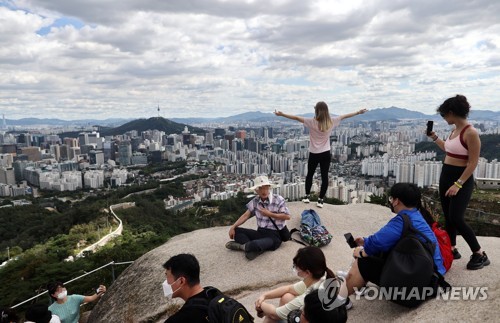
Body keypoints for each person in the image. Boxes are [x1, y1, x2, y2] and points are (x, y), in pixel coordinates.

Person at [340, 183, 446, 298]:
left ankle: (339, 300)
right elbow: (383, 239)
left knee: (363, 260)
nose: (391, 202)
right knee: (373, 251)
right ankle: (357, 279)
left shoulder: (401, 220)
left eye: (391, 198)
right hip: (432, 272)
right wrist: (365, 241)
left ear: (396, 201)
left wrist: (361, 252)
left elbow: (378, 242)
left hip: (420, 281)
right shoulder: (416, 215)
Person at [427, 94, 489, 270]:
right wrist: (434, 137)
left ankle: (479, 254)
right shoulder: (454, 130)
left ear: (452, 113)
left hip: (461, 178)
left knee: (457, 218)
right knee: (448, 215)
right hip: (446, 175)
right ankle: (452, 248)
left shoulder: (471, 132)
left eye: (445, 115)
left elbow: (473, 162)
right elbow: (448, 149)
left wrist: (459, 184)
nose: (444, 118)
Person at [274, 103, 367, 208]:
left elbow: (295, 118)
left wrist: (282, 114)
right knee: (324, 177)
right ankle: (321, 200)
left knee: (310, 175)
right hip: (326, 153)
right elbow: (345, 116)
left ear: (316, 111)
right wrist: (358, 112)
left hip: (314, 153)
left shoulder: (311, 122)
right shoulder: (331, 121)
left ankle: (307, 196)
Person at [254, 246, 340, 322]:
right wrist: (264, 296)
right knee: (287, 296)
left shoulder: (309, 297)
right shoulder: (322, 276)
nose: (295, 268)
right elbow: (289, 289)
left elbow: (275, 314)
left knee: (271, 318)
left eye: (297, 266)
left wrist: (259, 304)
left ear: (307, 272)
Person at [226, 175, 291, 260]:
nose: (263, 191)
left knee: (255, 244)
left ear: (269, 187)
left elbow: (287, 216)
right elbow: (246, 215)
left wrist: (270, 214)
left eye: (265, 188)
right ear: (256, 190)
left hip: (274, 236)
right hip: (260, 232)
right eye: (260, 188)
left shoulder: (278, 199)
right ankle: (254, 248)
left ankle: (243, 247)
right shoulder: (255, 201)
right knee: (237, 231)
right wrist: (233, 227)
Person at [162, 253, 211, 323]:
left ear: (181, 281)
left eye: (167, 276)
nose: (165, 282)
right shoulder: (214, 294)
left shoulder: (179, 319)